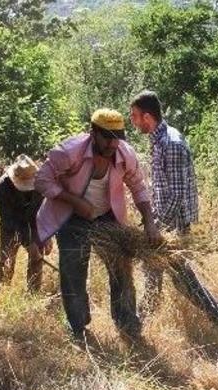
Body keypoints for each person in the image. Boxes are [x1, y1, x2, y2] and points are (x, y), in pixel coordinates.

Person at [34, 108, 161, 341]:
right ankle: (78, 327)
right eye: (108, 139)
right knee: (73, 271)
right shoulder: (69, 152)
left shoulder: (125, 154)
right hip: (73, 217)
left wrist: (150, 222)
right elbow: (42, 180)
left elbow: (139, 188)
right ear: (93, 133)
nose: (113, 146)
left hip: (107, 217)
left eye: (117, 140)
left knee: (121, 268)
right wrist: (75, 201)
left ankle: (127, 323)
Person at [129, 90, 218, 334]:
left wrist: (156, 227)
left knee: (181, 277)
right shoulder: (158, 140)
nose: (132, 121)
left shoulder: (171, 144)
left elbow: (176, 196)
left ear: (147, 117)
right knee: (153, 271)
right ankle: (142, 323)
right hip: (163, 221)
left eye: (134, 116)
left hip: (173, 225)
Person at [0, 154, 45, 292]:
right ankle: (1, 293)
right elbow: (8, 219)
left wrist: (41, 239)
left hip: (34, 223)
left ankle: (33, 294)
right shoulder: (2, 187)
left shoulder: (40, 185)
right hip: (10, 226)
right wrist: (26, 239)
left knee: (37, 259)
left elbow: (42, 213)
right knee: (6, 260)